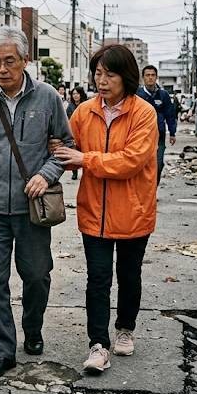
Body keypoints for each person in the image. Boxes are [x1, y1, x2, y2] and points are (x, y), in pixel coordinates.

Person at [0, 26, 73, 378]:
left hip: (31, 208)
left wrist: (46, 175)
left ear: (25, 60)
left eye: (10, 61)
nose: (2, 69)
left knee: (36, 275)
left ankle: (33, 328)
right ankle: (2, 349)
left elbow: (64, 147)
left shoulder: (48, 97)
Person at [52, 43, 158, 375]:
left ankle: (125, 327)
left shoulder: (143, 113)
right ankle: (98, 344)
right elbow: (70, 148)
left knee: (129, 276)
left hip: (134, 212)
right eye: (98, 73)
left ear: (125, 76)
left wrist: (85, 159)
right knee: (97, 279)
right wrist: (59, 154)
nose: (102, 80)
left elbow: (130, 161)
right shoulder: (84, 111)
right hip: (94, 212)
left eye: (109, 74)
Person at [137, 65, 176, 185]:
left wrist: (172, 133)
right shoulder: (137, 95)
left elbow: (170, 114)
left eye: (153, 75)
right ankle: (143, 191)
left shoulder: (163, 95)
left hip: (159, 135)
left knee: (158, 164)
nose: (150, 78)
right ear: (143, 78)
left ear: (156, 77)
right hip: (140, 136)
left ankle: (152, 191)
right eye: (147, 75)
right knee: (140, 165)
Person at [67, 87, 89, 180]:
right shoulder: (70, 106)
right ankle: (74, 172)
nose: (75, 96)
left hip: (85, 130)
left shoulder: (86, 105)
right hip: (74, 131)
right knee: (74, 151)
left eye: (77, 93)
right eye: (73, 94)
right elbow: (67, 118)